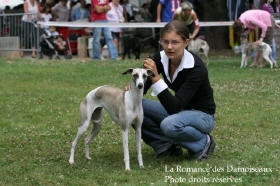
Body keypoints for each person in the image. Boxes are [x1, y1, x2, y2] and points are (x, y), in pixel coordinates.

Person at [140, 20, 216, 160]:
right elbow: (142, 87)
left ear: (186, 43)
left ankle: (204, 143)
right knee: (134, 104)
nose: (169, 47)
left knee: (169, 125)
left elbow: (174, 107)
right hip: (180, 111)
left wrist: (156, 78)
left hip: (202, 116)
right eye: (165, 42)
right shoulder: (160, 57)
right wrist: (135, 87)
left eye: (175, 42)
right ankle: (166, 145)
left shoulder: (196, 68)